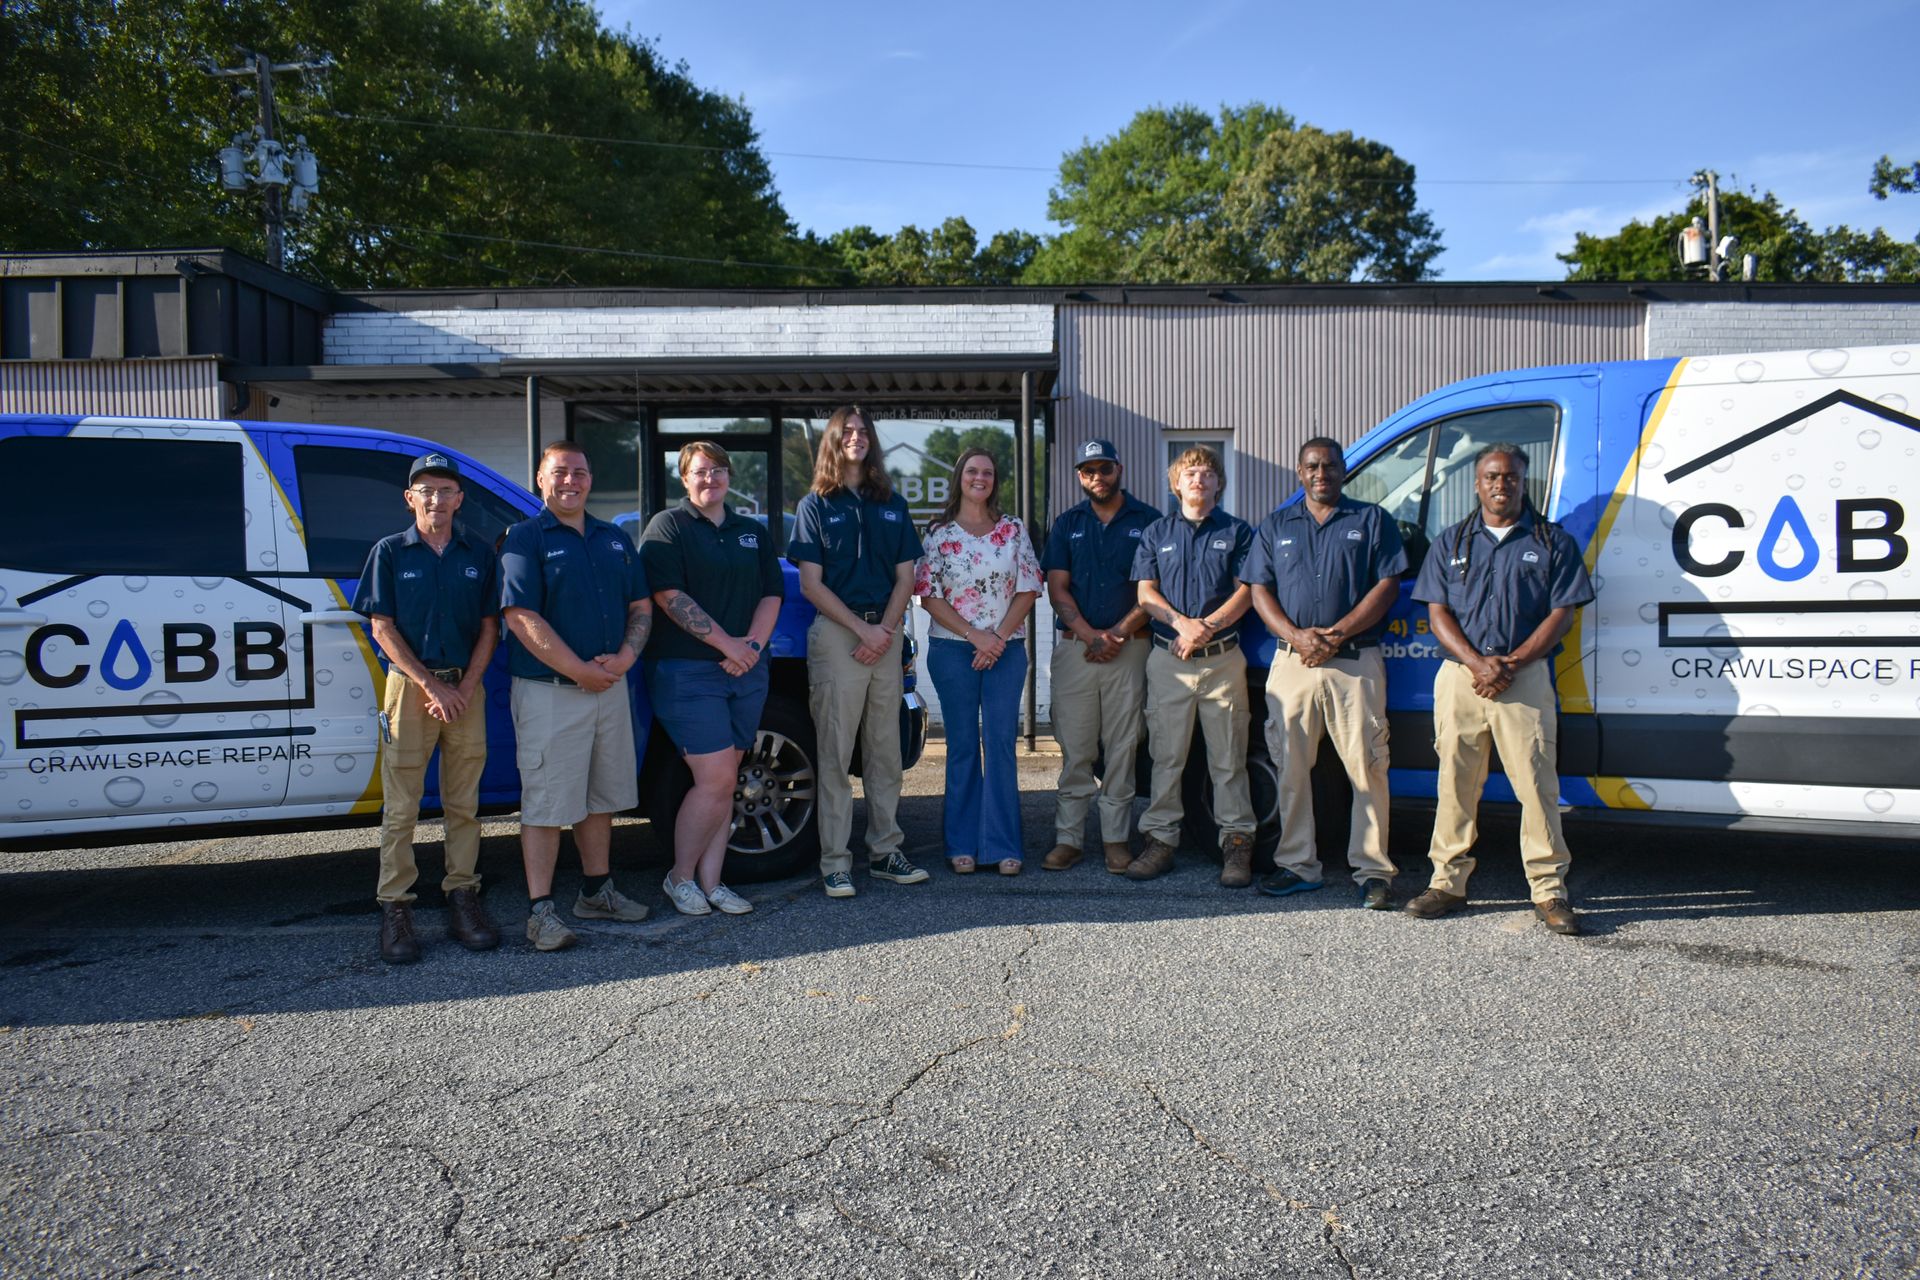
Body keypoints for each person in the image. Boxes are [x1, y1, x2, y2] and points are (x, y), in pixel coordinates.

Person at [1405, 443, 1595, 936]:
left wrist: (1512, 662)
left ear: (1522, 482)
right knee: (1455, 782)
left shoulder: (1552, 541)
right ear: (1476, 482)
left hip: (1524, 678)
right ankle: (1446, 884)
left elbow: (1562, 614)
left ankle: (1549, 890)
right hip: (1461, 678)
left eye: (1510, 477)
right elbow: (1437, 612)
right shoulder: (1450, 541)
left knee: (1536, 785)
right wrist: (1476, 663)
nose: (1501, 484)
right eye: (1491, 476)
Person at [498, 442, 654, 951]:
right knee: (545, 802)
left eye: (580, 472)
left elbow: (641, 605)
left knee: (599, 795)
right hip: (551, 692)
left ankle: (596, 890)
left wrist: (627, 659)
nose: (571, 480)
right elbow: (521, 616)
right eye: (559, 472)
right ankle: (540, 911)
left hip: (608, 688)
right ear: (540, 480)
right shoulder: (524, 539)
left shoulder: (613, 539)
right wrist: (576, 670)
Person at [1243, 437, 1408, 909]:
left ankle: (1374, 871)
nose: (1322, 473)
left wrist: (1335, 634)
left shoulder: (1371, 520)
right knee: (1290, 768)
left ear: (1343, 471)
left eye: (1331, 466)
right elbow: (1259, 590)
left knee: (1369, 768)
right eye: (1313, 466)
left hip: (1355, 661)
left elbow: (1387, 586)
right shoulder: (1276, 526)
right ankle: (1297, 864)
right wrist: (1297, 637)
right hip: (1292, 664)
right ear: (1299, 472)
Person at [353, 452, 501, 964]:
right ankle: (395, 906)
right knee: (402, 808)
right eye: (426, 490)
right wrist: (431, 688)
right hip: (410, 691)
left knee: (464, 804)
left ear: (460, 499)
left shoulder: (478, 554)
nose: (436, 499)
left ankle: (463, 895)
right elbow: (382, 628)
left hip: (466, 689)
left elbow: (489, 628)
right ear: (410, 497)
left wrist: (464, 686)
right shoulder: (390, 552)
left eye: (445, 490)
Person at [640, 441, 785, 917]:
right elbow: (668, 596)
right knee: (718, 778)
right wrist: (729, 646)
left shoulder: (750, 531)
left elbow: (771, 594)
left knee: (728, 779)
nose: (711, 479)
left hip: (746, 669)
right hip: (687, 671)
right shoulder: (668, 526)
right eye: (701, 472)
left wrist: (752, 650)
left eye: (719, 471)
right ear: (684, 478)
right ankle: (679, 878)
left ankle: (713, 881)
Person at [788, 407, 928, 899]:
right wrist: (861, 632)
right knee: (835, 752)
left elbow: (906, 577)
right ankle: (835, 861)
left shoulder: (892, 503)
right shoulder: (815, 506)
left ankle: (886, 850)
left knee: (885, 753)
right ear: (832, 440)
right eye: (847, 432)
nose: (857, 438)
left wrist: (885, 632)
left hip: (885, 636)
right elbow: (810, 584)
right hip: (837, 635)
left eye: (864, 432)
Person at [1129, 445, 1258, 886]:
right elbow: (1146, 594)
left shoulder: (1238, 533)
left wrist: (1206, 628)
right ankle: (1160, 841)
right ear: (1175, 484)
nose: (1198, 480)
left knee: (1228, 759)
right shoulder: (1156, 533)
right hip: (1168, 661)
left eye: (1206, 473)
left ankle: (1237, 845)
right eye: (1189, 474)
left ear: (1219, 483)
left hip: (1223, 661)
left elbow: (1247, 591)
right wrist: (1182, 624)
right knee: (1166, 758)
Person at [915, 447, 1043, 875]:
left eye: (987, 472)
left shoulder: (1012, 530)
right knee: (964, 746)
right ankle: (962, 843)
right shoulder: (938, 534)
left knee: (1002, 746)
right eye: (972, 471)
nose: (979, 478)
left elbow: (1029, 586)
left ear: (994, 481)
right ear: (959, 477)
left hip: (1005, 652)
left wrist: (998, 638)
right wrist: (975, 636)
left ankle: (1003, 844)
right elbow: (928, 595)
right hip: (953, 650)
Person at [1039, 439, 1158, 874]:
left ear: (1118, 469)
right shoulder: (1067, 523)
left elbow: (1153, 588)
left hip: (1131, 648)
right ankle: (1068, 840)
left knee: (1123, 747)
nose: (1097, 477)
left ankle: (1115, 841)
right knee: (1076, 748)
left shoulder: (1148, 521)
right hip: (1076, 651)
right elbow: (1057, 586)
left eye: (1104, 468)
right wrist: (1091, 636)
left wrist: (1117, 635)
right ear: (1079, 476)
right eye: (1088, 471)